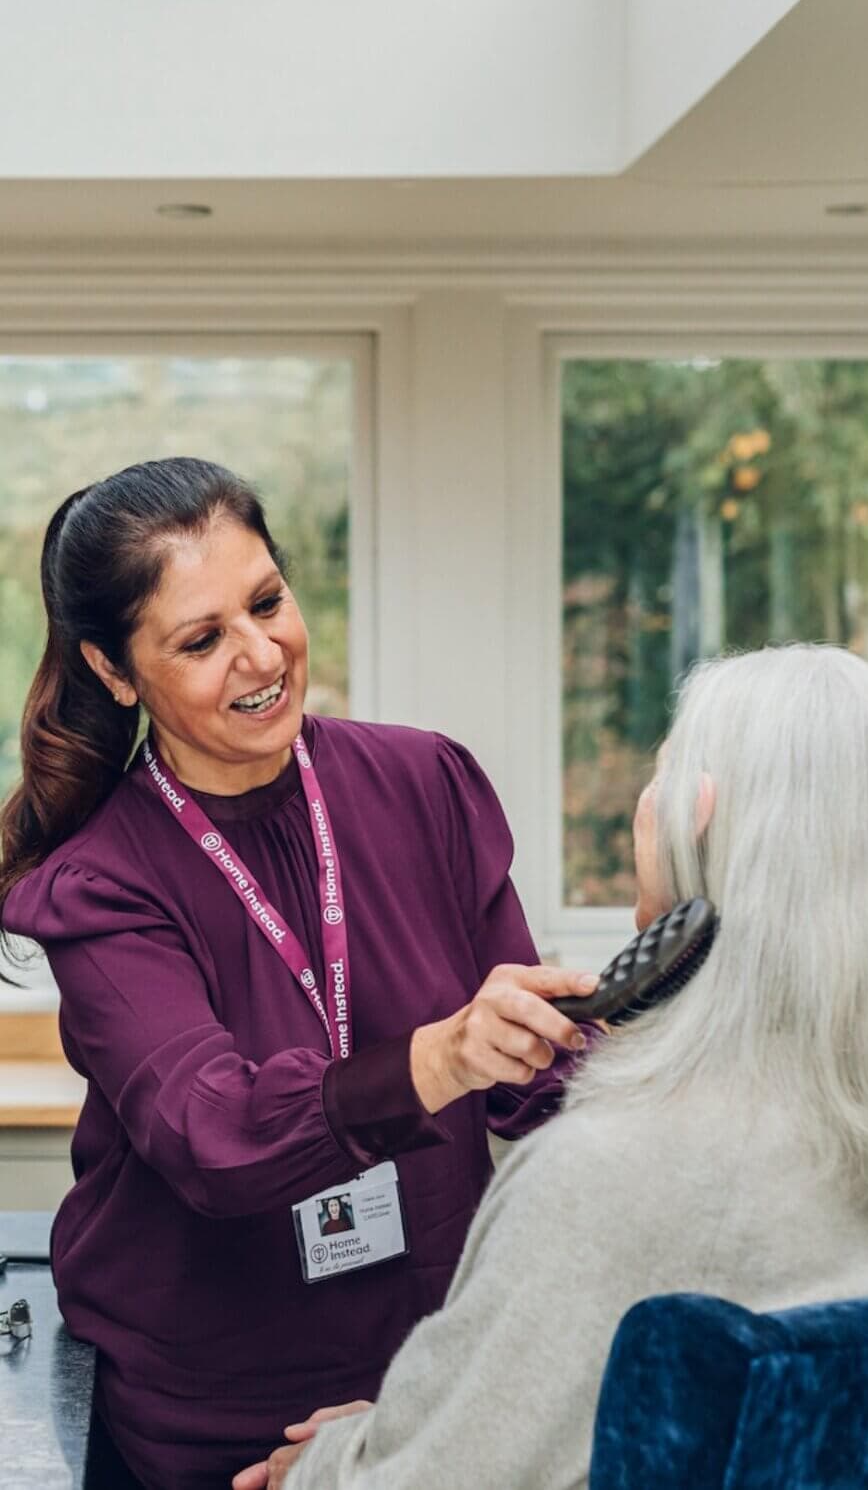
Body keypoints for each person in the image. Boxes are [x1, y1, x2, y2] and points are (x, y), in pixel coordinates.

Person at [234, 644, 868, 1490]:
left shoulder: (607, 1178)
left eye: (657, 775)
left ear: (694, 818)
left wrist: (332, 1463)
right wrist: (412, 1420)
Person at [0, 457, 600, 1490]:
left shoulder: (426, 783)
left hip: (427, 1385)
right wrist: (436, 1059)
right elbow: (213, 1138)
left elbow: (540, 1091)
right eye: (201, 639)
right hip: (214, 1417)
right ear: (112, 671)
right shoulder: (102, 882)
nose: (260, 653)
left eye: (267, 602)